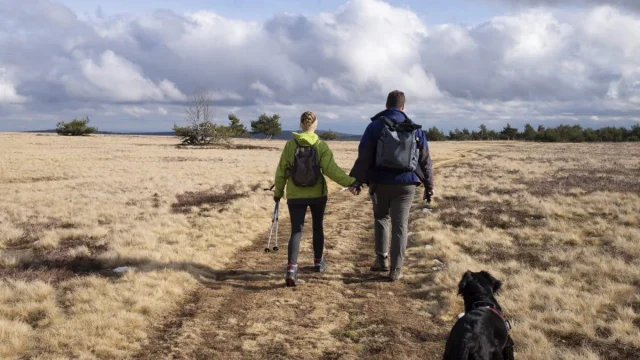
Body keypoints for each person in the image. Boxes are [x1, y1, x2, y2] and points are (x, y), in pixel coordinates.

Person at [349, 90, 434, 282]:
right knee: (400, 225)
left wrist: (358, 180)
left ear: (386, 105)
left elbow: (364, 156)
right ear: (403, 107)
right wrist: (429, 186)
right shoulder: (415, 129)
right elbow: (426, 160)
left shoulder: (375, 126)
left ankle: (382, 260)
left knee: (381, 218)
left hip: (380, 182)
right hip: (407, 184)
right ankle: (396, 269)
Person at [274, 111, 356, 287]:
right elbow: (332, 170)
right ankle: (318, 262)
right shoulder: (321, 145)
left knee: (296, 230)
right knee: (317, 227)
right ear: (315, 125)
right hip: (318, 195)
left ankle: (291, 269)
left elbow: (281, 171)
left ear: (301, 124)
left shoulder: (290, 146)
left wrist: (278, 193)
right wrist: (350, 182)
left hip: (295, 196)